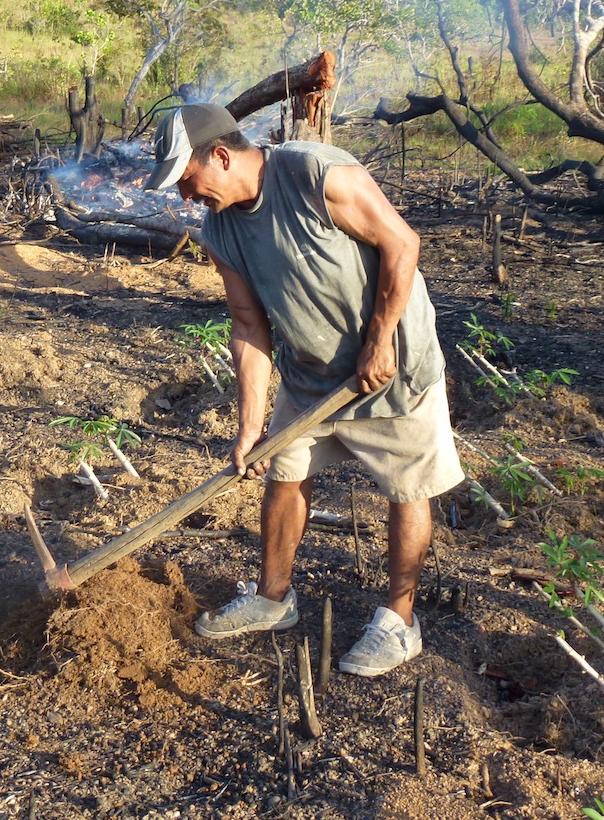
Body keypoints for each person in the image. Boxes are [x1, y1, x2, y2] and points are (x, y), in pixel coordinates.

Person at [145, 102, 464, 677]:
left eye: (187, 182)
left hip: (392, 364)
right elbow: (248, 325)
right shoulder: (220, 230)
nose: (184, 198)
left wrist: (381, 340)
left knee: (407, 488)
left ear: (220, 155)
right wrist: (249, 424)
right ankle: (273, 596)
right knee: (284, 472)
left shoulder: (315, 174)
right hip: (311, 374)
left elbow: (402, 243)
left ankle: (400, 619)